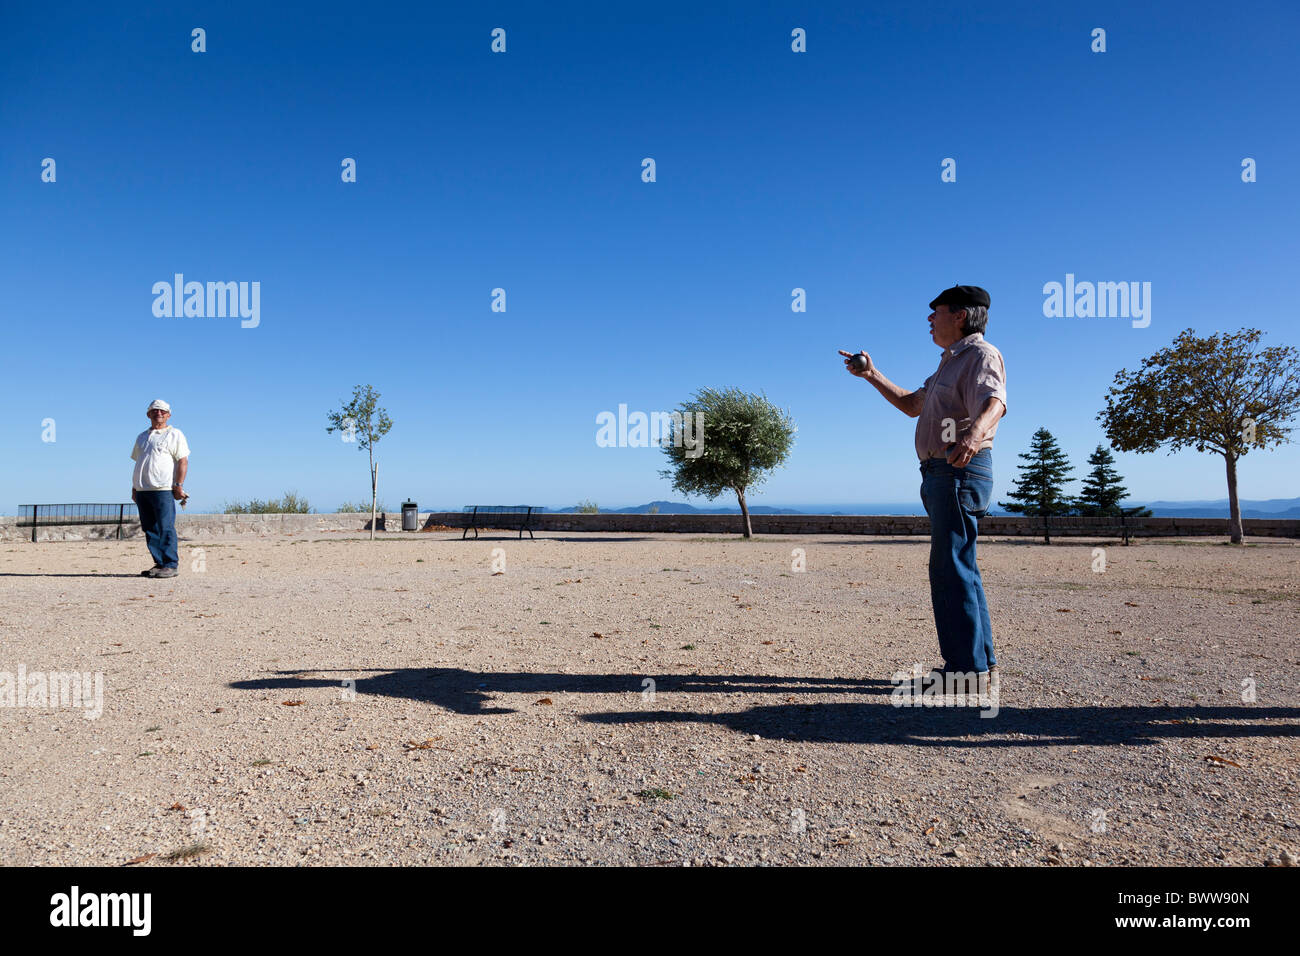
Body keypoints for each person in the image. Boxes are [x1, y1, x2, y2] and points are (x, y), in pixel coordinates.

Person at [840, 285, 1007, 693]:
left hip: (958, 469)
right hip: (940, 472)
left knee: (949, 567)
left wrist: (973, 437)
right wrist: (872, 375)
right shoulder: (947, 365)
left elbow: (995, 402)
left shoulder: (981, 355)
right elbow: (913, 404)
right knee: (960, 565)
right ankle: (980, 667)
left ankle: (964, 672)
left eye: (937, 313)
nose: (930, 320)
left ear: (961, 317)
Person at [130, 399, 190, 578]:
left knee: (165, 526)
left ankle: (171, 563)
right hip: (142, 489)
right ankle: (160, 563)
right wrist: (134, 488)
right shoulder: (141, 437)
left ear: (168, 415)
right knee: (149, 528)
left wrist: (178, 485)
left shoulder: (175, 434)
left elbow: (183, 461)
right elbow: (139, 462)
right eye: (155, 411)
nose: (159, 414)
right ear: (148, 414)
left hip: (162, 488)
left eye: (163, 411)